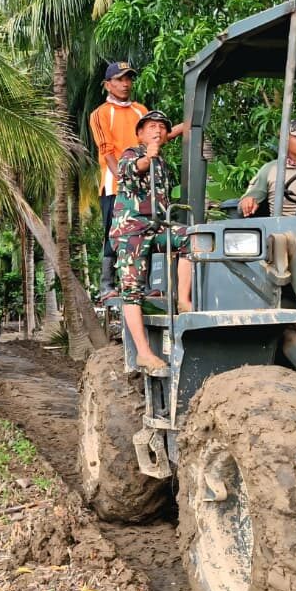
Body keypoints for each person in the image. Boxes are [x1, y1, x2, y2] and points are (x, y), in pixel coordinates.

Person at [89, 61, 188, 300]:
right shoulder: (100, 113)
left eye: (128, 79)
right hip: (117, 182)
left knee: (151, 226)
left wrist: (183, 127)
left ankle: (142, 284)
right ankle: (106, 284)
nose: (125, 84)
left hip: (146, 182)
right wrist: (122, 177)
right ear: (107, 84)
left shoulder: (139, 109)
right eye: (120, 79)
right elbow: (107, 150)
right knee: (114, 231)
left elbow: (155, 136)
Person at [111, 110, 194, 374]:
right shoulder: (131, 155)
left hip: (157, 228)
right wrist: (150, 154)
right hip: (131, 231)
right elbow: (136, 170)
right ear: (139, 133)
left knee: (191, 238)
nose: (157, 130)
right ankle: (144, 354)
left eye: (161, 127)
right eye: (151, 127)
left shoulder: (165, 166)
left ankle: (183, 299)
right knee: (132, 290)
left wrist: (185, 125)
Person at [239, 118, 296, 217]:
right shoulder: (270, 169)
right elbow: (244, 204)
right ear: (285, 139)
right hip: (283, 229)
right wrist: (247, 201)